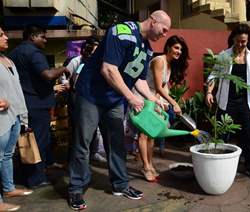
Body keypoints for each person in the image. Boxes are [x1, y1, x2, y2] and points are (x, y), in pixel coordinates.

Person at [68, 10, 171, 210]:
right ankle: (76, 188)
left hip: (114, 100)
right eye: (164, 29)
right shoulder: (121, 32)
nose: (164, 34)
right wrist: (131, 97)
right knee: (83, 143)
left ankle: (120, 184)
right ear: (152, 21)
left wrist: (153, 98)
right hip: (91, 95)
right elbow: (108, 69)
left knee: (116, 143)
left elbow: (139, 79)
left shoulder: (147, 49)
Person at [9, 25, 70, 188]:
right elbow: (48, 75)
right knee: (38, 142)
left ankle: (26, 175)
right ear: (32, 37)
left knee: (26, 141)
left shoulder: (15, 53)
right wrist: (63, 68)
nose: (45, 40)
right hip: (37, 104)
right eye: (42, 37)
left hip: (22, 103)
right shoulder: (34, 52)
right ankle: (36, 179)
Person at [205, 24, 250, 181]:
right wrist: (209, 92)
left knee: (248, 135)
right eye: (238, 41)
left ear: (248, 40)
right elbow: (213, 76)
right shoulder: (224, 55)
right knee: (223, 133)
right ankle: (220, 167)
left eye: (244, 41)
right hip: (226, 101)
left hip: (245, 102)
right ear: (233, 39)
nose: (241, 44)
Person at [137, 35, 189, 182]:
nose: (179, 51)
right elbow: (159, 87)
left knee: (152, 133)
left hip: (154, 99)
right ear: (168, 47)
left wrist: (168, 102)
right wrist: (174, 103)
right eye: (176, 47)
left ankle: (150, 164)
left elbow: (164, 87)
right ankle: (145, 167)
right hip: (142, 96)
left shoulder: (169, 64)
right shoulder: (160, 61)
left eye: (181, 49)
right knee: (143, 134)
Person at [0, 26, 34, 211]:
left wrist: (23, 116)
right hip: (1, 119)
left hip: (13, 117)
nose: (6, 37)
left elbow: (16, 90)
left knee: (7, 155)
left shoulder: (8, 60)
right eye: (1, 35)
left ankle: (9, 189)